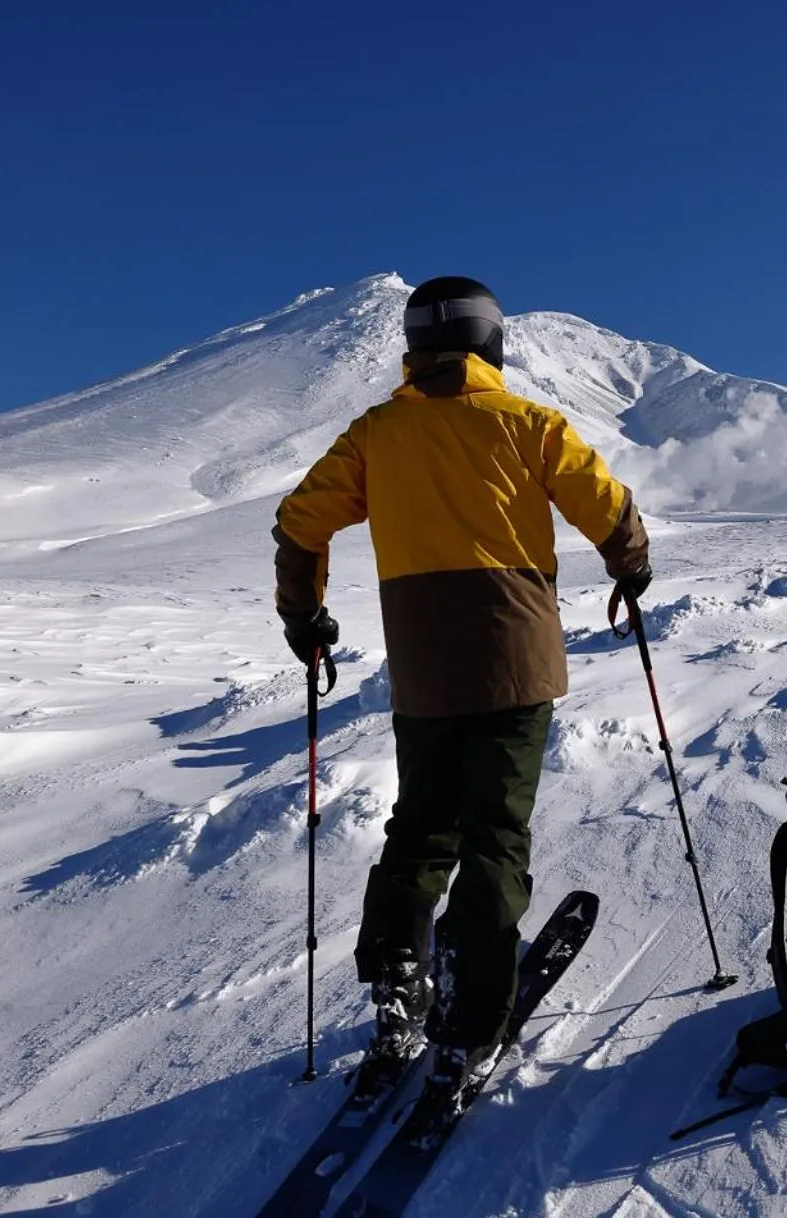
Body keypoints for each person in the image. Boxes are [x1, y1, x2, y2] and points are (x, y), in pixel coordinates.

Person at [270, 276, 651, 1122]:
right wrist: (632, 565)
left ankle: (398, 990)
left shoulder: (377, 433)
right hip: (517, 668)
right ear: (491, 342)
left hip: (425, 673)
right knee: (494, 837)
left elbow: (299, 522)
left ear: (417, 347)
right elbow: (607, 506)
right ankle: (473, 1025)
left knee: (421, 827)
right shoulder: (529, 423)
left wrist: (306, 615)